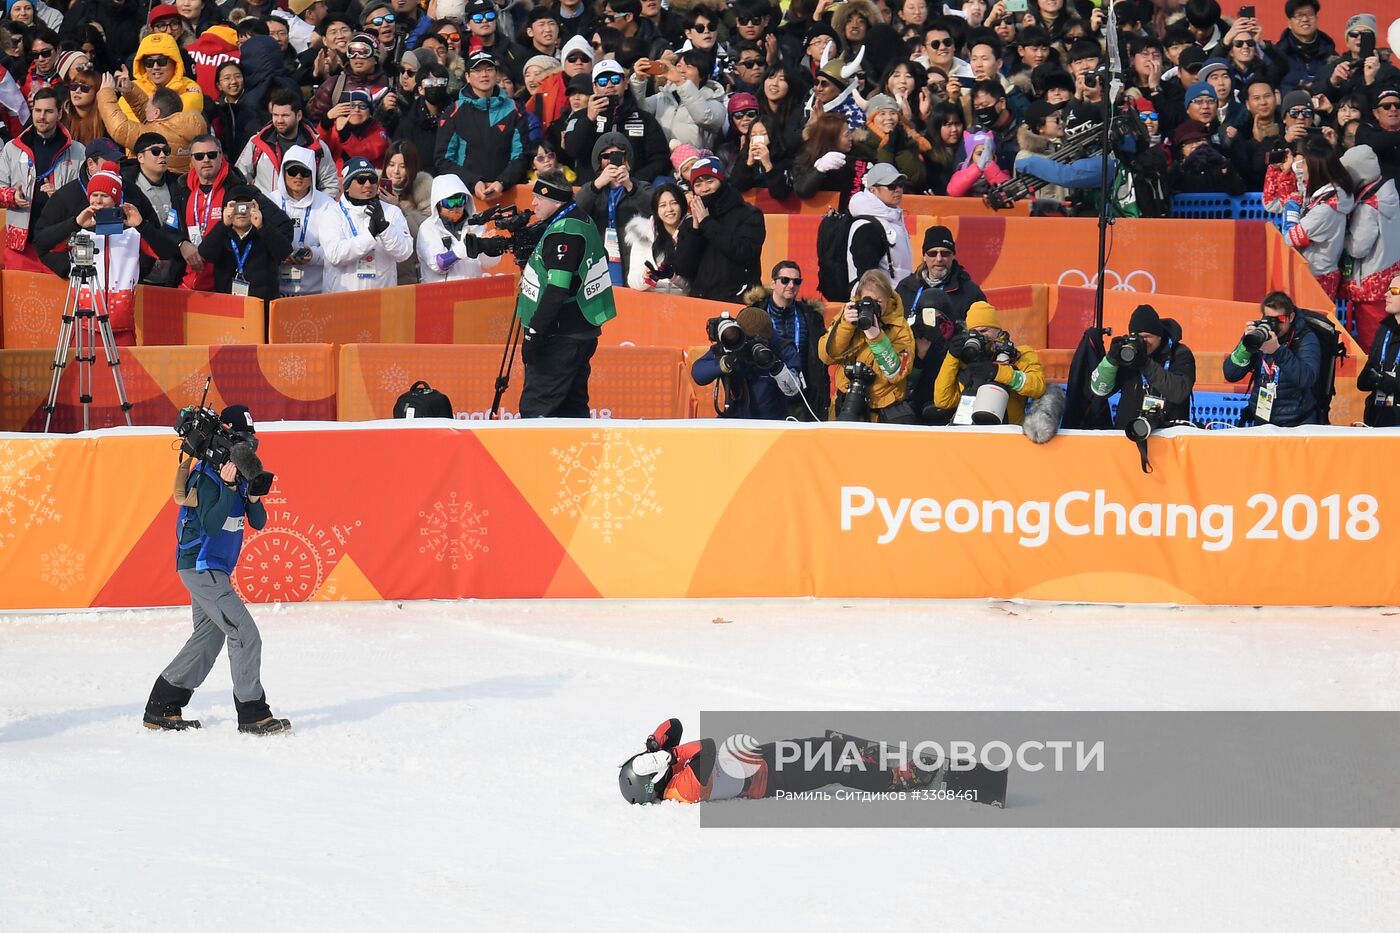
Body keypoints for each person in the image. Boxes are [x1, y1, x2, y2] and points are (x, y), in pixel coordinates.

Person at [144, 404, 291, 736]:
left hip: (214, 569)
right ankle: (253, 713)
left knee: (208, 639)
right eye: (243, 445)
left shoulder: (236, 478)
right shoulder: (208, 477)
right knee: (244, 633)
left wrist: (251, 497)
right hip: (202, 566)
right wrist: (226, 490)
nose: (248, 452)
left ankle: (162, 706)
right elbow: (211, 525)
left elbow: (259, 521)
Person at [619, 719, 938, 805]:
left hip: (759, 757)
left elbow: (673, 725)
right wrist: (672, 755)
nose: (652, 761)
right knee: (834, 767)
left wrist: (655, 743)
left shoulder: (667, 773)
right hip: (770, 780)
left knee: (820, 746)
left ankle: (859, 758)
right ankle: (898, 779)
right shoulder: (682, 789)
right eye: (647, 765)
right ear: (654, 783)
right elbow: (708, 748)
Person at [31, 161, 179, 344]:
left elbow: (168, 252)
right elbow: (42, 244)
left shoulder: (131, 232)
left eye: (105, 196)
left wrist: (142, 226)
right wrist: (74, 224)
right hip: (84, 325)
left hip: (121, 328)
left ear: (116, 200)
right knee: (81, 372)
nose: (98, 201)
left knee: (122, 373)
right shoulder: (80, 229)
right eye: (94, 195)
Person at [513, 170, 617, 418]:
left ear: (556, 201)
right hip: (580, 330)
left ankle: (536, 458)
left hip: (560, 336)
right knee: (572, 409)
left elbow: (558, 289)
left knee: (536, 409)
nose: (533, 203)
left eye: (539, 197)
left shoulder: (564, 232)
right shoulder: (579, 219)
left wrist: (534, 334)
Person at [0, 88, 84, 273]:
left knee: (57, 302)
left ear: (59, 113)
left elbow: (86, 197)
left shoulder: (78, 152)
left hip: (60, 246)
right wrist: (13, 195)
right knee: (18, 300)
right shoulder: (12, 148)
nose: (42, 116)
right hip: (20, 246)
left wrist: (60, 196)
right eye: (38, 111)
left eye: (48, 111)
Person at [1264, 134, 1357, 301]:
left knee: (1313, 325)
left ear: (1316, 166)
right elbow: (1273, 202)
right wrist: (1284, 172)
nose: (1300, 168)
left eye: (1304, 163)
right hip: (1313, 271)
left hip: (1317, 276)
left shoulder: (1326, 208)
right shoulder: (1327, 191)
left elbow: (1290, 238)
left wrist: (1292, 206)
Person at [819, 268, 916, 423]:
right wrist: (846, 325)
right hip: (845, 406)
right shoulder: (848, 316)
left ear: (888, 299)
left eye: (878, 302)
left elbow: (897, 372)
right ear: (858, 299)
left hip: (880, 412)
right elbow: (826, 356)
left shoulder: (900, 328)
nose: (871, 307)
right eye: (867, 301)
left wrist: (876, 337)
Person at [434, 50, 528, 203]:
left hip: (507, 194)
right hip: (466, 196)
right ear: (467, 77)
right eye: (477, 70)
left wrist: (502, 182)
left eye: (489, 69)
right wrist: (473, 182)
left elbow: (521, 155)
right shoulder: (454, 112)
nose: (484, 75)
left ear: (496, 74)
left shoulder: (514, 110)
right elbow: (443, 159)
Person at [933, 300, 1046, 425]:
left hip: (1007, 432)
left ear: (998, 330)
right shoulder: (964, 359)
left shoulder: (1021, 354)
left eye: (984, 331)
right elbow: (943, 401)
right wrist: (952, 357)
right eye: (974, 333)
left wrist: (998, 372)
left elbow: (1038, 387)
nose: (980, 337)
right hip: (967, 431)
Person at [560, 58, 669, 187]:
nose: (609, 85)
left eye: (615, 80)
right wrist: (589, 119)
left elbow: (660, 159)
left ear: (626, 83)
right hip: (594, 190)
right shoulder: (580, 116)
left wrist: (633, 181)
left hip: (633, 189)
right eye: (602, 82)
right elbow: (573, 151)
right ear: (594, 88)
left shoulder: (644, 118)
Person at [1088, 303, 1197, 431]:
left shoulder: (1179, 353)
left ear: (1159, 336)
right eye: (1139, 338)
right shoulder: (1127, 354)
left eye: (1147, 337)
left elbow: (1179, 392)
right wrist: (1111, 361)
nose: (1143, 343)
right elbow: (1099, 391)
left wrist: (1145, 363)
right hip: (1128, 432)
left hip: (1169, 434)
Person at [743, 262, 830, 421]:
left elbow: (819, 361)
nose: (791, 285)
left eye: (796, 281)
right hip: (762, 399)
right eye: (785, 280)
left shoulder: (810, 316)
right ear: (773, 283)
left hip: (800, 398)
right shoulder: (754, 313)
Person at [673, 156, 766, 303]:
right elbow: (683, 269)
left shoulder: (749, 214)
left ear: (722, 181)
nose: (704, 188)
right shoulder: (690, 222)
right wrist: (696, 231)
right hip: (701, 301)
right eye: (698, 184)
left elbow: (745, 251)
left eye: (710, 181)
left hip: (739, 300)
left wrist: (707, 223)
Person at [313, 156, 413, 291]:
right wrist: (370, 236)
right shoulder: (332, 213)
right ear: (347, 186)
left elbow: (404, 253)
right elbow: (335, 254)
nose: (368, 185)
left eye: (372, 180)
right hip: (344, 300)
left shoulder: (392, 211)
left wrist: (385, 228)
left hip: (382, 298)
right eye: (361, 180)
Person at [1222, 290, 1321, 427]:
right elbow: (1230, 374)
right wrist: (1246, 345)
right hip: (1262, 420)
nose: (1274, 324)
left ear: (1291, 317)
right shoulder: (1258, 335)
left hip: (1297, 422)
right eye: (1269, 319)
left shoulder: (1305, 338)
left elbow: (1307, 378)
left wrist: (1277, 351)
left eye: (1279, 319)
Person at [691, 305, 807, 420]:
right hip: (737, 419)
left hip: (773, 421)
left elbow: (794, 390)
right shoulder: (731, 345)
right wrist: (724, 363)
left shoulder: (782, 348)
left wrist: (776, 366)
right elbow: (698, 374)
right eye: (748, 341)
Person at [196, 183, 295, 308]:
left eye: (246, 207)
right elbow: (205, 253)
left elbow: (284, 252)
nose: (242, 212)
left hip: (261, 309)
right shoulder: (222, 235)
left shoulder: (265, 233)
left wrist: (262, 226)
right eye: (236, 207)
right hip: (228, 306)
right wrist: (223, 224)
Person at [1341, 145, 1400, 353]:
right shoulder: (1388, 193)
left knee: (1372, 344)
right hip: (1390, 276)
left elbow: (1358, 247)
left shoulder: (1369, 205)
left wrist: (1342, 239)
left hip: (1370, 285)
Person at [575, 131, 652, 287]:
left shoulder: (641, 186)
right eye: (605, 156)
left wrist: (630, 186)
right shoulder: (592, 188)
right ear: (598, 160)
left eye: (617, 155)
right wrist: (597, 184)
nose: (611, 160)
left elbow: (653, 210)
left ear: (626, 157)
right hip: (600, 259)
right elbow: (575, 212)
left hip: (632, 258)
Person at [235, 87, 340, 198]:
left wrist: (315, 209)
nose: (279, 120)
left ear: (298, 115)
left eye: (285, 116)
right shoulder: (257, 143)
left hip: (305, 212)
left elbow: (330, 185)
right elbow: (240, 178)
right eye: (275, 115)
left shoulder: (318, 148)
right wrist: (255, 202)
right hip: (265, 212)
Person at [95, 75, 206, 173]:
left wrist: (106, 93)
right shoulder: (186, 129)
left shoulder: (154, 136)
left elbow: (120, 128)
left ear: (156, 113)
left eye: (148, 104)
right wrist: (130, 90)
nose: (146, 108)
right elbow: (151, 117)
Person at [629, 48, 728, 154]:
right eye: (679, 65)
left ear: (703, 75)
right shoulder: (664, 96)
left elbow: (704, 118)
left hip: (692, 164)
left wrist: (681, 82)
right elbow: (639, 110)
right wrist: (638, 80)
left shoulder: (715, 102)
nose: (681, 70)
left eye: (689, 67)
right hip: (661, 160)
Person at [414, 173, 508, 283]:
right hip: (439, 295)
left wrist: (487, 248)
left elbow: (487, 264)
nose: (455, 207)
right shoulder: (428, 228)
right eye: (450, 202)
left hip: (471, 292)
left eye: (460, 201)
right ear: (438, 202)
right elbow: (438, 264)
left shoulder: (476, 224)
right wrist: (465, 247)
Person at [271, 145, 334, 296]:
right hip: (276, 291)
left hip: (315, 292)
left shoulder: (328, 205)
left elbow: (336, 250)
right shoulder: (270, 201)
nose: (298, 176)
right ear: (284, 173)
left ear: (312, 175)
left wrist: (313, 255)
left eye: (304, 172)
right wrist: (278, 254)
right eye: (292, 171)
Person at [894, 225, 987, 325]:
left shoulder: (970, 292)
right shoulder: (905, 288)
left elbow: (984, 330)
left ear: (953, 255)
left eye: (945, 253)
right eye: (932, 253)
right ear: (924, 256)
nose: (939, 259)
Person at [846, 161, 912, 285]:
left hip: (896, 299)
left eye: (900, 184)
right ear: (873, 190)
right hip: (881, 300)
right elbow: (867, 278)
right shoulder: (867, 226)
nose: (898, 190)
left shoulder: (892, 218)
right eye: (891, 186)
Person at [125, 30, 204, 117]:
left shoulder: (189, 87)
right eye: (149, 62)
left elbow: (173, 119)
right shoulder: (132, 89)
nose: (155, 67)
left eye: (162, 61)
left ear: (175, 62)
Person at [1356, 272, 1400, 428]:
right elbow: (1364, 380)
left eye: (1394, 291)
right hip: (1376, 418)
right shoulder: (1384, 328)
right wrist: (1372, 378)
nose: (1386, 294)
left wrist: (1385, 381)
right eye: (1388, 289)